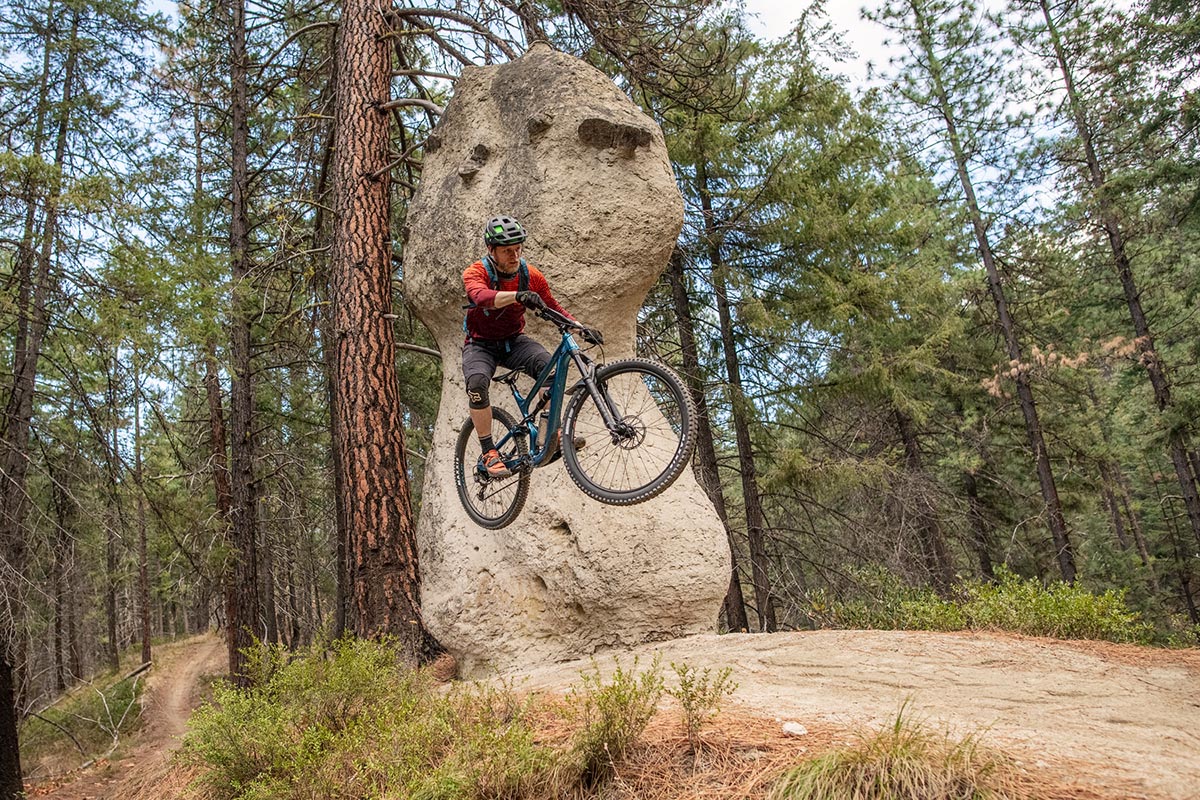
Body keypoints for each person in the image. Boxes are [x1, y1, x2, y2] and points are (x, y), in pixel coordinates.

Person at [462, 215, 602, 477]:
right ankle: (489, 453)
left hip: (514, 341)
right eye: (507, 251)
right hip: (479, 344)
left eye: (518, 249)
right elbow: (480, 297)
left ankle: (549, 436)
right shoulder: (476, 272)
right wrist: (516, 295)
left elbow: (553, 308)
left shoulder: (530, 275)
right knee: (478, 383)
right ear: (491, 250)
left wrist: (581, 329)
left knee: (549, 370)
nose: (514, 256)